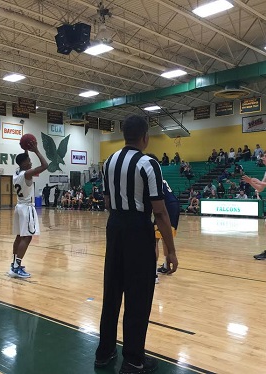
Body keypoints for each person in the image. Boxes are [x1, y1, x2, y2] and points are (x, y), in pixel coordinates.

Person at [94, 115, 178, 373]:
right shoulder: (148, 162)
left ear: (123, 135)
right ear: (145, 137)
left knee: (112, 292)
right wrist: (171, 250)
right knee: (138, 296)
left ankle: (104, 353)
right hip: (138, 229)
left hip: (114, 227)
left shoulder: (109, 161)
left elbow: (107, 202)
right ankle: (133, 359)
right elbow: (160, 212)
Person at [10, 142, 48, 278]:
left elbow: (23, 163)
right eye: (29, 161)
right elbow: (45, 165)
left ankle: (14, 263)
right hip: (27, 208)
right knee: (27, 237)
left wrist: (26, 151)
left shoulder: (17, 173)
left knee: (19, 236)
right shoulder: (27, 174)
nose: (31, 163)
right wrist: (36, 151)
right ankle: (16, 267)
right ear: (24, 164)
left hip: (19, 207)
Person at [147, 154, 180, 284]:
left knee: (154, 240)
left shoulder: (151, 177)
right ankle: (166, 266)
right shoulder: (160, 177)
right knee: (166, 237)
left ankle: (153, 274)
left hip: (167, 207)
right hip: (174, 205)